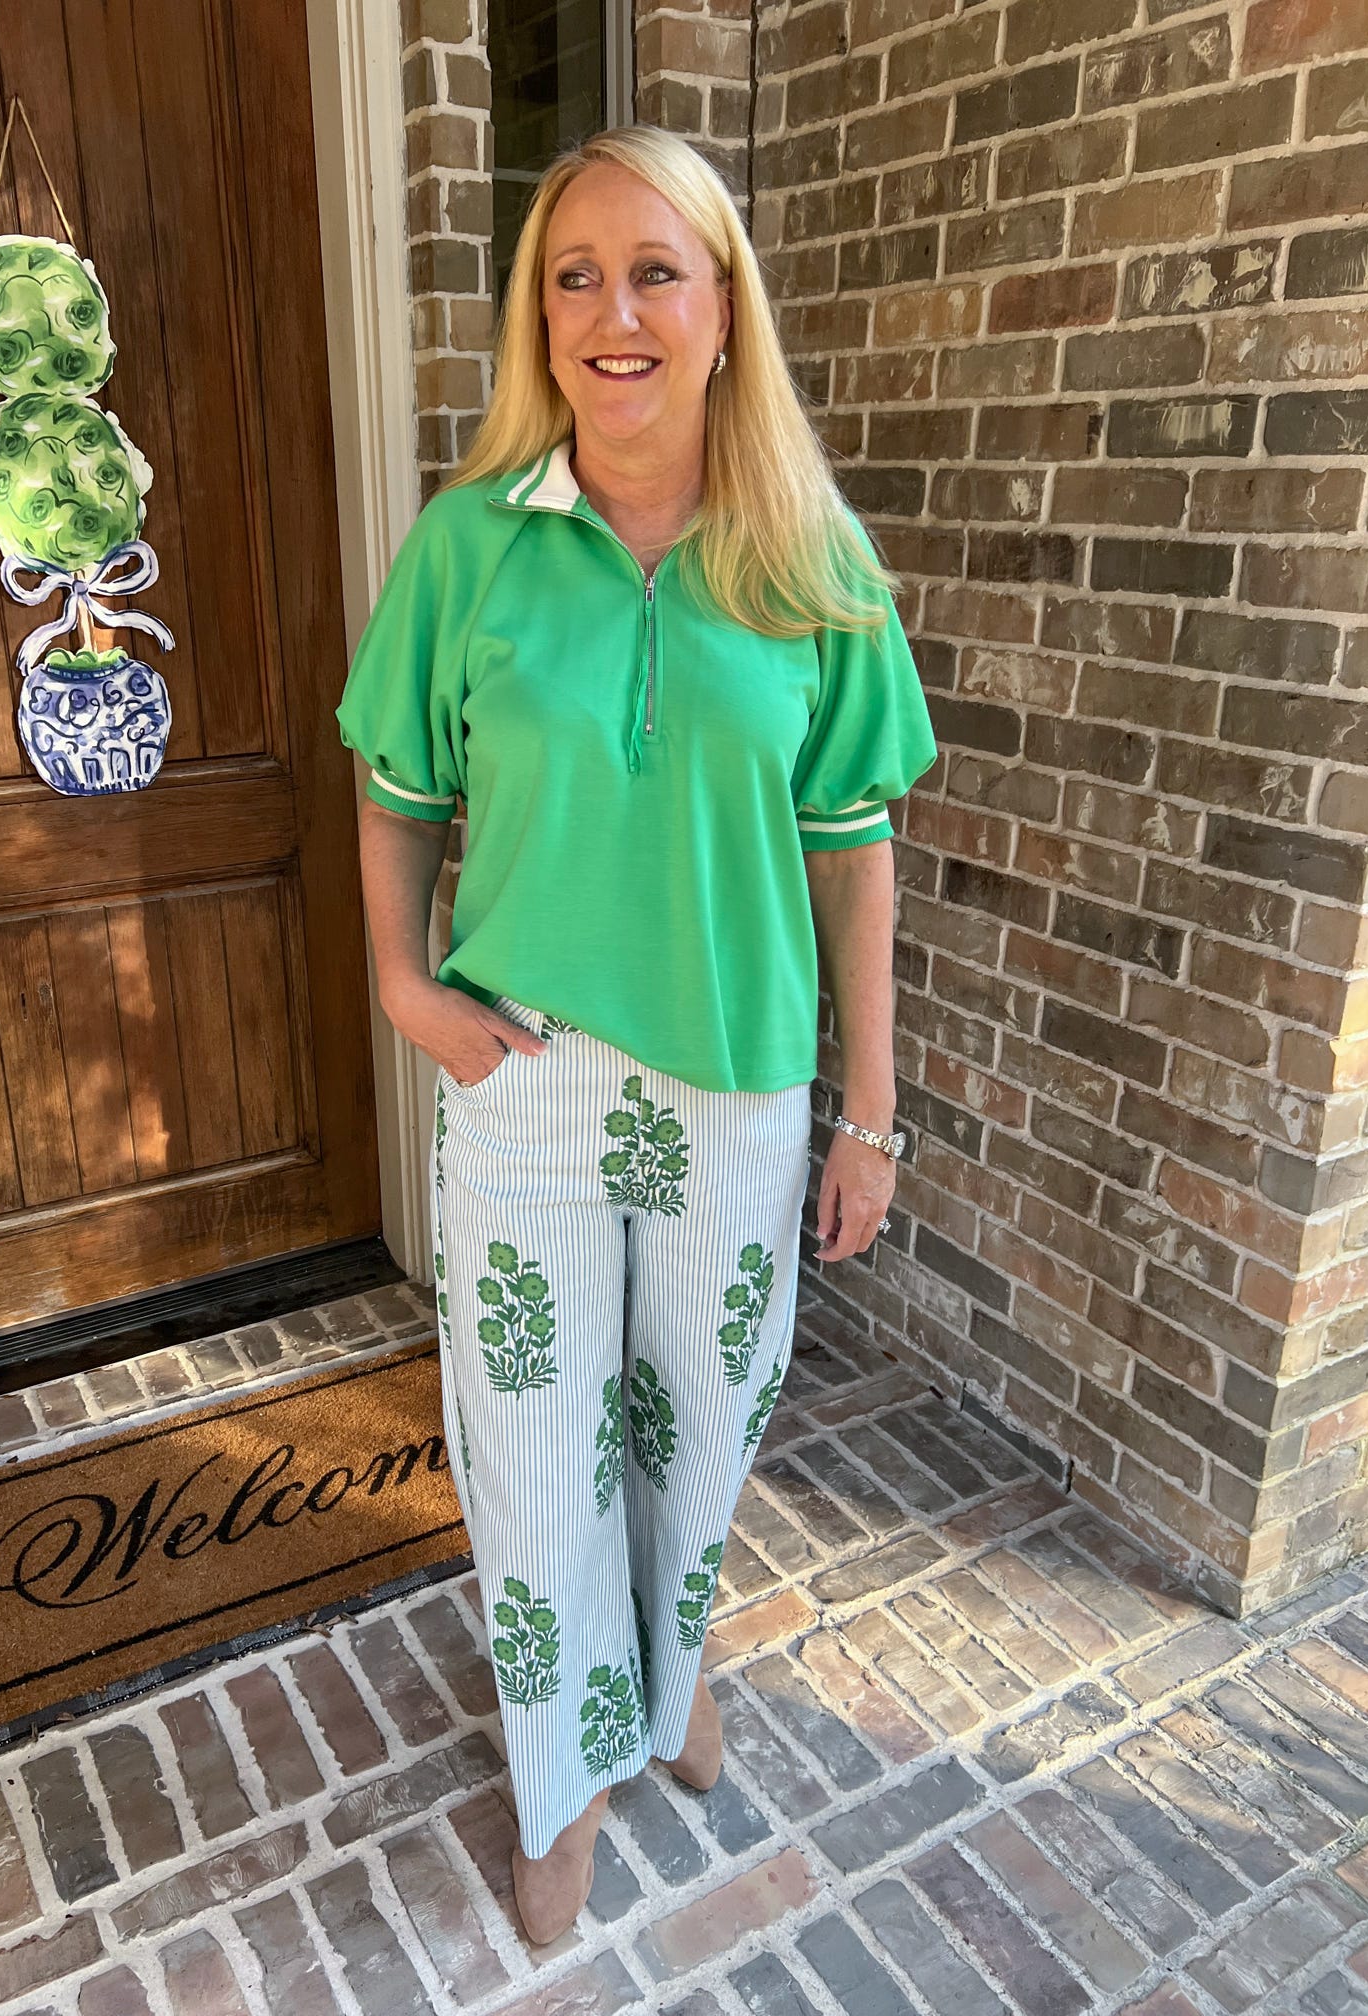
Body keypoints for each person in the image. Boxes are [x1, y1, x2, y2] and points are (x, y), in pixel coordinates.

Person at [335, 124, 938, 1943]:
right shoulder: (472, 547)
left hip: (736, 1083)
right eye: (574, 278)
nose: (615, 313)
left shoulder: (811, 562)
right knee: (536, 1460)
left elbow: (854, 857)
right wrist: (402, 981)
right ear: (542, 320)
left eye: (655, 271)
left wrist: (869, 1113)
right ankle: (564, 1780)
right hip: (521, 1074)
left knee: (699, 1431)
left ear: (724, 308)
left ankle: (671, 1682)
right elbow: (395, 787)